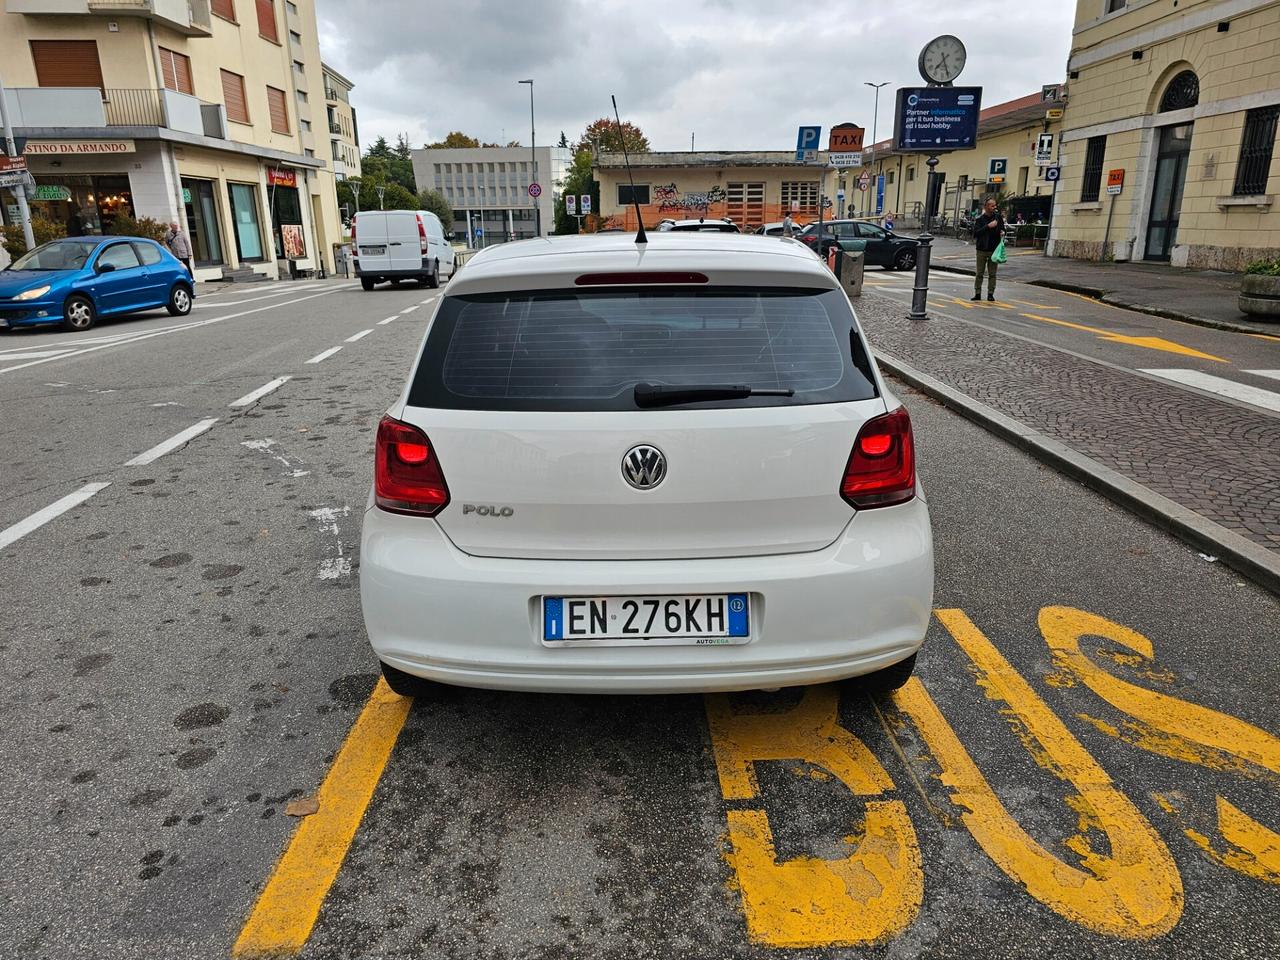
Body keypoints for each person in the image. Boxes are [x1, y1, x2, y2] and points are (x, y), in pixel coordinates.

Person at [972, 196, 1005, 302]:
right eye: (992, 205)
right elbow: (975, 233)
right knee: (979, 273)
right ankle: (977, 293)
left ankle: (990, 293)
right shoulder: (980, 219)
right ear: (986, 207)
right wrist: (988, 226)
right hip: (981, 249)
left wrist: (1003, 232)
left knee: (992, 273)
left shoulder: (998, 218)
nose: (994, 207)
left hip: (993, 249)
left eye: (995, 205)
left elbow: (1003, 229)